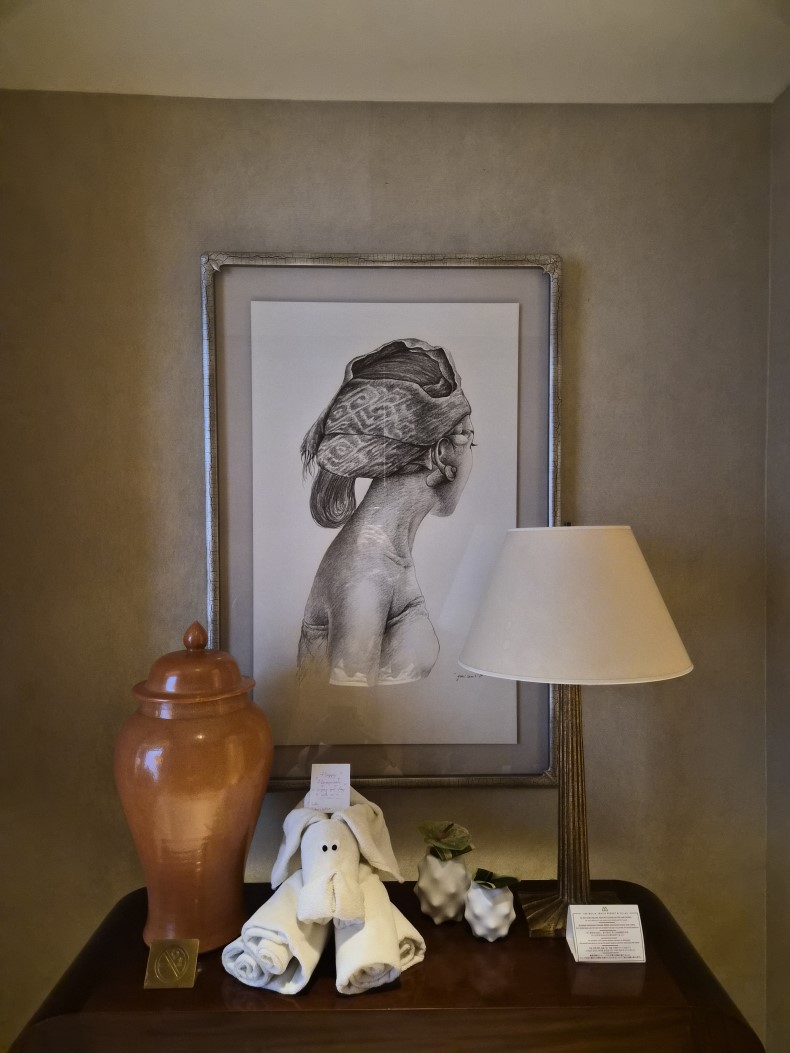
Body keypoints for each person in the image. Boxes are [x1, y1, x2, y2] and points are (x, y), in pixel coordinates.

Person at [298, 337, 475, 687]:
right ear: (442, 454)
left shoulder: (376, 559)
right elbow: (348, 714)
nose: (472, 458)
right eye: (471, 441)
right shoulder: (367, 576)